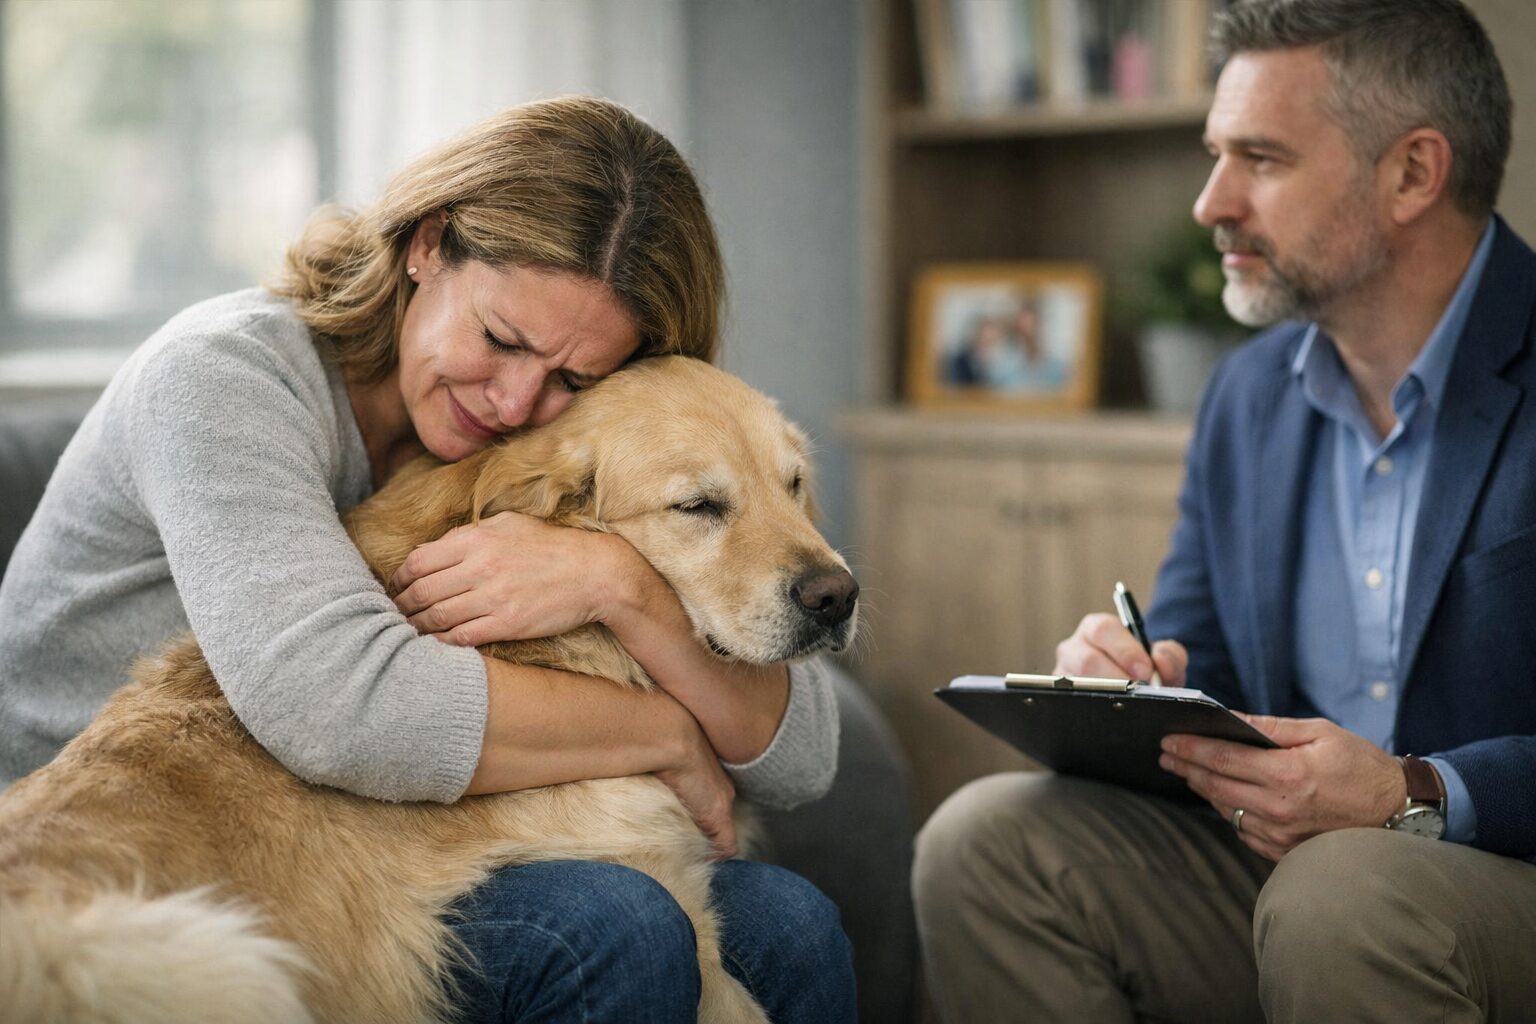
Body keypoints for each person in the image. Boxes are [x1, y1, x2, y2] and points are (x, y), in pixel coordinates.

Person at [0, 97, 855, 1022]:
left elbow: (801, 756)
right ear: (427, 245)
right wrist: (667, 735)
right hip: (143, 849)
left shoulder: (561, 448)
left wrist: (617, 586)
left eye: (572, 378)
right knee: (617, 924)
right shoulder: (218, 377)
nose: (515, 401)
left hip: (385, 823)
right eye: (500, 339)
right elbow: (336, 706)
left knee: (791, 925)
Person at [912, 1, 1536, 1021]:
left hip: (1496, 871)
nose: (1210, 202)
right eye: (1216, 154)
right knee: (981, 841)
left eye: (1262, 158)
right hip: (1290, 870)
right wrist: (1132, 690)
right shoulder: (1246, 395)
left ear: (1413, 174)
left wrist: (1413, 791)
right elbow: (1202, 662)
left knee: (1342, 892)